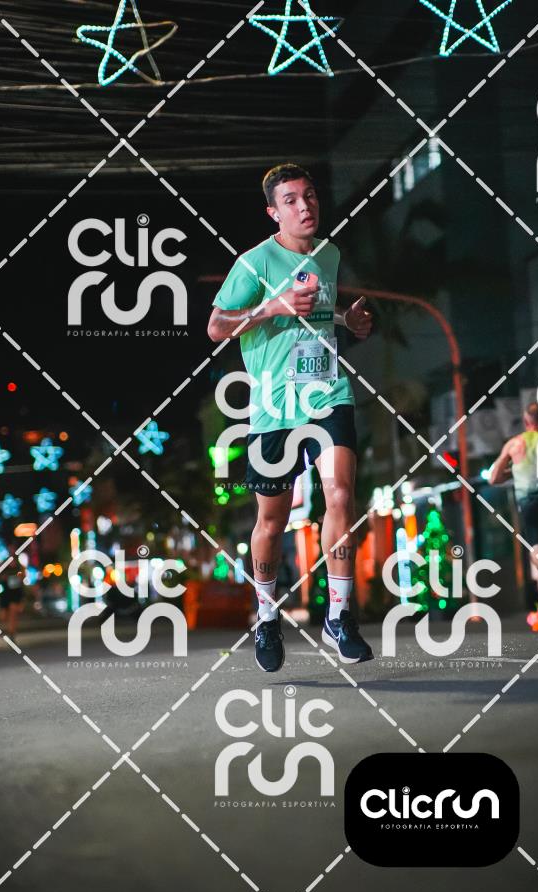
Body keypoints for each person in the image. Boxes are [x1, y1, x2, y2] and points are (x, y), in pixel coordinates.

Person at [207, 162, 374, 672]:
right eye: (292, 200)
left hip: (327, 395)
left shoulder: (330, 253)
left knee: (340, 496)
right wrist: (271, 307)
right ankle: (266, 615)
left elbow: (318, 312)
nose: (305, 206)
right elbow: (216, 327)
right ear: (273, 212)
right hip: (273, 409)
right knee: (271, 520)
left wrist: (347, 319)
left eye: (310, 195)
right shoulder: (254, 262)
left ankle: (339, 616)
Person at [489, 402, 538, 632]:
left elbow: (493, 478)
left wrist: (514, 469)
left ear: (526, 421)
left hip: (530, 504)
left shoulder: (515, 443)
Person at [0, 559, 26, 640]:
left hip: (15, 595)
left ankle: (12, 633)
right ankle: (10, 630)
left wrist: (22, 600)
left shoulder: (19, 569)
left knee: (13, 615)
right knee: (3, 617)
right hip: (5, 595)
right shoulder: (3, 568)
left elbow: (21, 583)